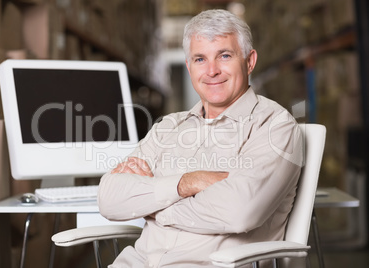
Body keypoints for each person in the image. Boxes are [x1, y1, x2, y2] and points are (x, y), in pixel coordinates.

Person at [98, 9, 303, 268]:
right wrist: (188, 183)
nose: (212, 71)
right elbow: (108, 198)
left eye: (224, 56)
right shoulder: (169, 127)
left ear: (249, 61)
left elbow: (239, 211)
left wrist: (152, 205)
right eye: (200, 59)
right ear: (189, 66)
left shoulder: (274, 127)